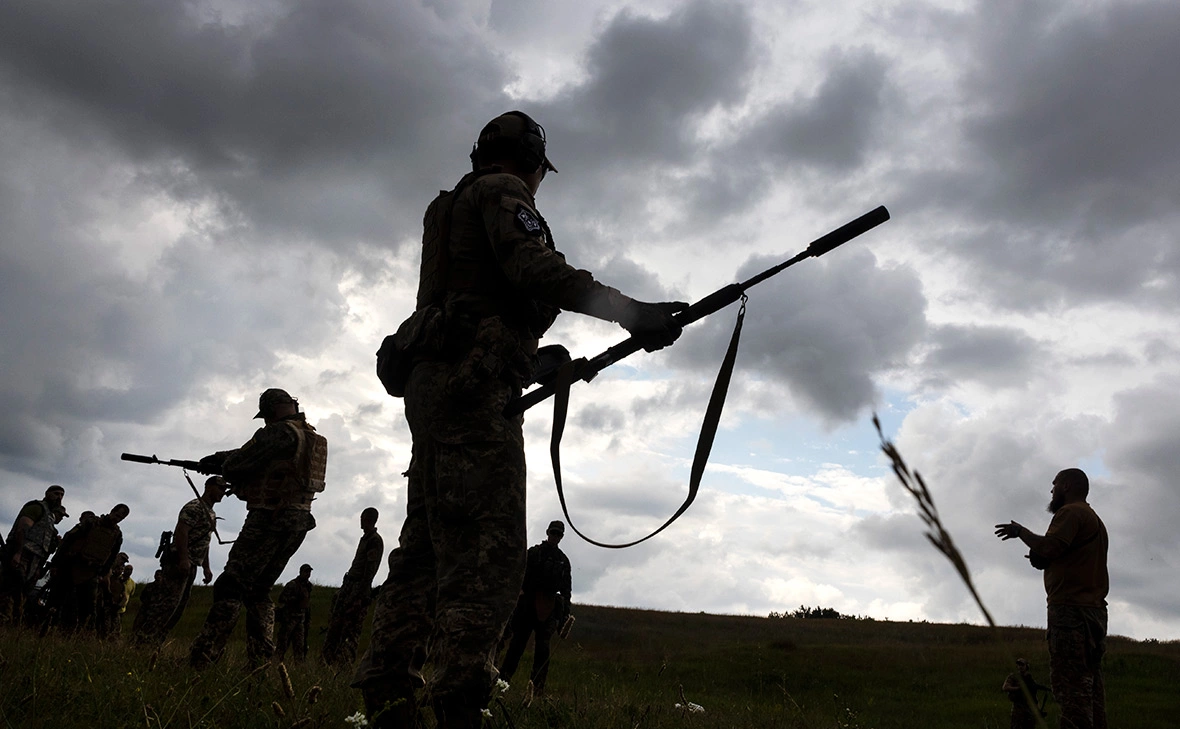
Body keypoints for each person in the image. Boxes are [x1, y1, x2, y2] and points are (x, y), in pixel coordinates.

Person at [353, 110, 686, 728]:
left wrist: (533, 359)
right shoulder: (504, 194)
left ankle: (389, 698)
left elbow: (473, 304)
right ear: (532, 162)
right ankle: (458, 707)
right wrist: (631, 312)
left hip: (434, 386)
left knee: (425, 547)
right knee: (488, 556)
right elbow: (533, 270)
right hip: (473, 387)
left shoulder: (446, 206)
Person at [189, 388, 327, 669]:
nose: (264, 422)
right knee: (260, 590)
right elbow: (257, 455)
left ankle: (203, 658)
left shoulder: (278, 433)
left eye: (265, 416)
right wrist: (219, 458)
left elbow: (240, 463)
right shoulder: (310, 436)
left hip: (269, 519)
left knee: (231, 584)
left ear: (273, 409)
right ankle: (260, 663)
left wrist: (220, 464)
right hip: (298, 520)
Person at [996, 468, 1108, 729]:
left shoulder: (1070, 513)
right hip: (1093, 612)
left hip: (1070, 613)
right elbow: (1060, 554)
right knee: (1091, 690)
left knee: (1071, 692)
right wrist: (1043, 559)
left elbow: (1050, 547)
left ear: (1067, 486)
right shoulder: (1094, 519)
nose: (1051, 490)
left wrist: (1020, 532)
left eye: (1054, 484)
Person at [134, 476, 227, 648]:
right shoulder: (195, 507)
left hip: (192, 565)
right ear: (208, 487)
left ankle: (155, 643)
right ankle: (143, 642)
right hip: (179, 563)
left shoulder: (211, 513)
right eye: (220, 487)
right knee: (164, 605)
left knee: (177, 608)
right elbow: (181, 532)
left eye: (224, 489)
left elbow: (205, 541)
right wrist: (184, 558)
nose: (223, 492)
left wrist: (206, 567)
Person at [500, 520, 572, 695]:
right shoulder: (533, 553)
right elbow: (517, 577)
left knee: (542, 652)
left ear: (561, 537)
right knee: (516, 648)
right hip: (526, 607)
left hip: (547, 610)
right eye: (553, 533)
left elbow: (566, 591)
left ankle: (537, 690)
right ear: (547, 532)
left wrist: (564, 618)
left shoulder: (562, 561)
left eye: (558, 534)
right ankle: (501, 685)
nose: (555, 537)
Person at [49, 504, 129, 632]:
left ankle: (79, 633)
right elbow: (68, 540)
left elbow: (111, 556)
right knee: (58, 601)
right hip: (72, 565)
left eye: (121, 518)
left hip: (91, 572)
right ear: (112, 511)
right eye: (117, 515)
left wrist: (102, 573)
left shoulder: (117, 535)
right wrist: (56, 563)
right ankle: (49, 627)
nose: (117, 519)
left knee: (87, 609)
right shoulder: (91, 523)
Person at [321, 507, 384, 666]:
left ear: (369, 519)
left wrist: (360, 596)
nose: (360, 521)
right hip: (349, 586)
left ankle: (344, 665)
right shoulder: (365, 538)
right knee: (336, 626)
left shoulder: (374, 540)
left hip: (357, 589)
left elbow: (369, 570)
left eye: (363, 517)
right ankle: (327, 662)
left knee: (351, 629)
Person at [0, 485, 67, 625]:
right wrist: (17, 553)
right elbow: (22, 528)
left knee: (20, 592)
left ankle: (10, 624)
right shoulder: (37, 507)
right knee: (9, 589)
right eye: (56, 493)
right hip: (22, 553)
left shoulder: (48, 516)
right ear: (47, 493)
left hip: (33, 560)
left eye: (62, 495)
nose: (59, 497)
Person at [275, 563, 314, 663]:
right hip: (289, 618)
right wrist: (294, 600)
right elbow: (282, 599)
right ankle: (277, 663)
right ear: (301, 572)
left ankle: (299, 666)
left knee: (299, 646)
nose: (308, 574)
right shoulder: (292, 584)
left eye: (309, 572)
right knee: (283, 643)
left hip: (301, 619)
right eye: (306, 571)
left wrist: (308, 619)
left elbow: (307, 604)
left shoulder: (308, 586)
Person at [1002, 658, 1050, 729]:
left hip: (1029, 708)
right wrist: (1019, 688)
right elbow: (1005, 687)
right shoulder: (1013, 676)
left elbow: (1033, 696)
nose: (1020, 667)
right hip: (1018, 707)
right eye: (1018, 665)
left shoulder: (1029, 678)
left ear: (1026, 666)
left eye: (1022, 665)